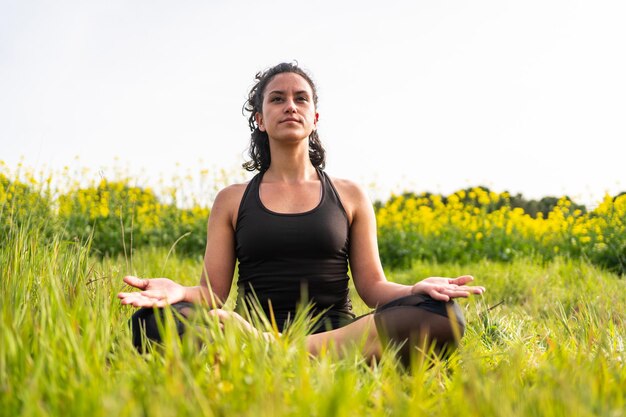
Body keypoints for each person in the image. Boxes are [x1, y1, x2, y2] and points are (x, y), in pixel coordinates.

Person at [117, 62, 485, 366]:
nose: (290, 106)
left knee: (442, 315)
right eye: (277, 99)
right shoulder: (232, 200)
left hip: (333, 332)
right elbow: (212, 294)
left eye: (300, 98)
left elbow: (372, 288)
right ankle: (311, 358)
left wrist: (414, 289)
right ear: (260, 119)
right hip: (250, 325)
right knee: (150, 323)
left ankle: (273, 353)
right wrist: (178, 290)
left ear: (314, 117)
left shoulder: (350, 194)